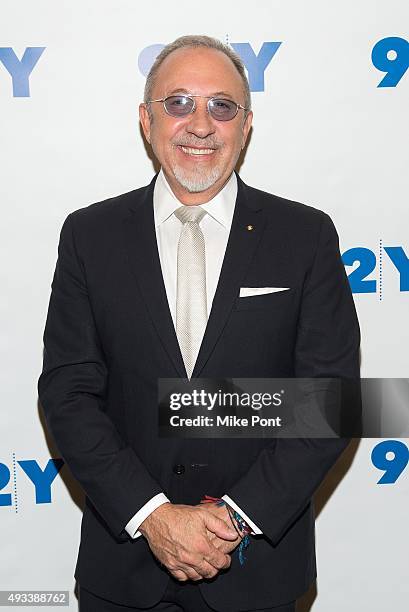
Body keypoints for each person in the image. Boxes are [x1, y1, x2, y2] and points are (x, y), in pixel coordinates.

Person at [38, 35, 360, 612]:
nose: (200, 124)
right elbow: (69, 394)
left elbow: (329, 401)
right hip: (125, 570)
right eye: (178, 102)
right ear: (146, 119)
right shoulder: (90, 236)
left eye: (222, 106)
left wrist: (232, 520)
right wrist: (153, 516)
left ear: (247, 124)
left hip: (255, 571)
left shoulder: (305, 236)